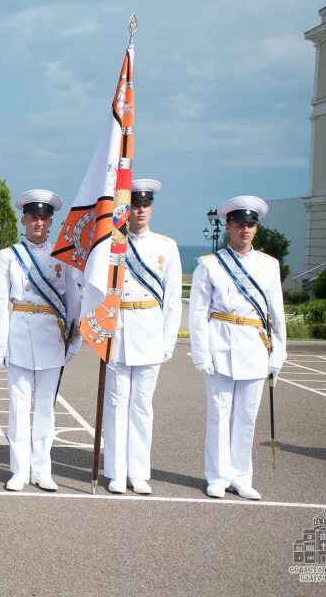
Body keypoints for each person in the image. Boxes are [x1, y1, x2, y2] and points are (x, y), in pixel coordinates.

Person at [189, 195, 286, 501]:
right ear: (228, 226)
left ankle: (242, 476)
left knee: (247, 416)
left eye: (250, 225)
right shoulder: (210, 265)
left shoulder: (268, 266)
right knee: (218, 415)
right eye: (239, 224)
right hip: (220, 345)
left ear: (255, 229)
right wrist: (201, 352)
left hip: (254, 347)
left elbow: (277, 313)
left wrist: (279, 352)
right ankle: (217, 476)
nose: (245, 230)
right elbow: (198, 313)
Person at [0, 189, 80, 492]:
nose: (38, 222)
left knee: (45, 409)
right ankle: (19, 470)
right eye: (33, 217)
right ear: (24, 219)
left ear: (50, 221)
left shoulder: (62, 255)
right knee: (18, 408)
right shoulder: (8, 256)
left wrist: (74, 338)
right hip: (18, 335)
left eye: (44, 217)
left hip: (51, 339)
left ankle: (42, 470)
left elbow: (73, 298)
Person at [102, 179, 182, 495]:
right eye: (135, 205)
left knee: (142, 406)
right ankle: (117, 472)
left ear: (151, 207)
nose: (140, 210)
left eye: (145, 205)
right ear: (127, 208)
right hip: (119, 331)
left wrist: (167, 341)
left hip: (149, 331)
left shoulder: (166, 246)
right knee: (117, 403)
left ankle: (138, 472)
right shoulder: (112, 243)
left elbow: (173, 300)